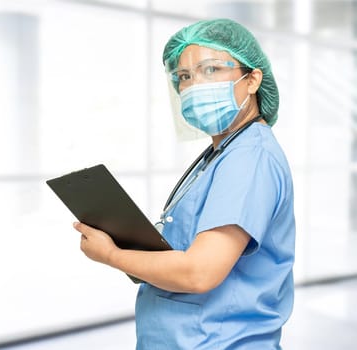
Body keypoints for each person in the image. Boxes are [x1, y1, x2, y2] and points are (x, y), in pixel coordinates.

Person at [72, 18, 295, 349]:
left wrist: (111, 254)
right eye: (184, 77)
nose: (194, 86)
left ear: (252, 80)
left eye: (211, 70)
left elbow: (199, 273)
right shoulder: (223, 152)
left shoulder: (250, 157)